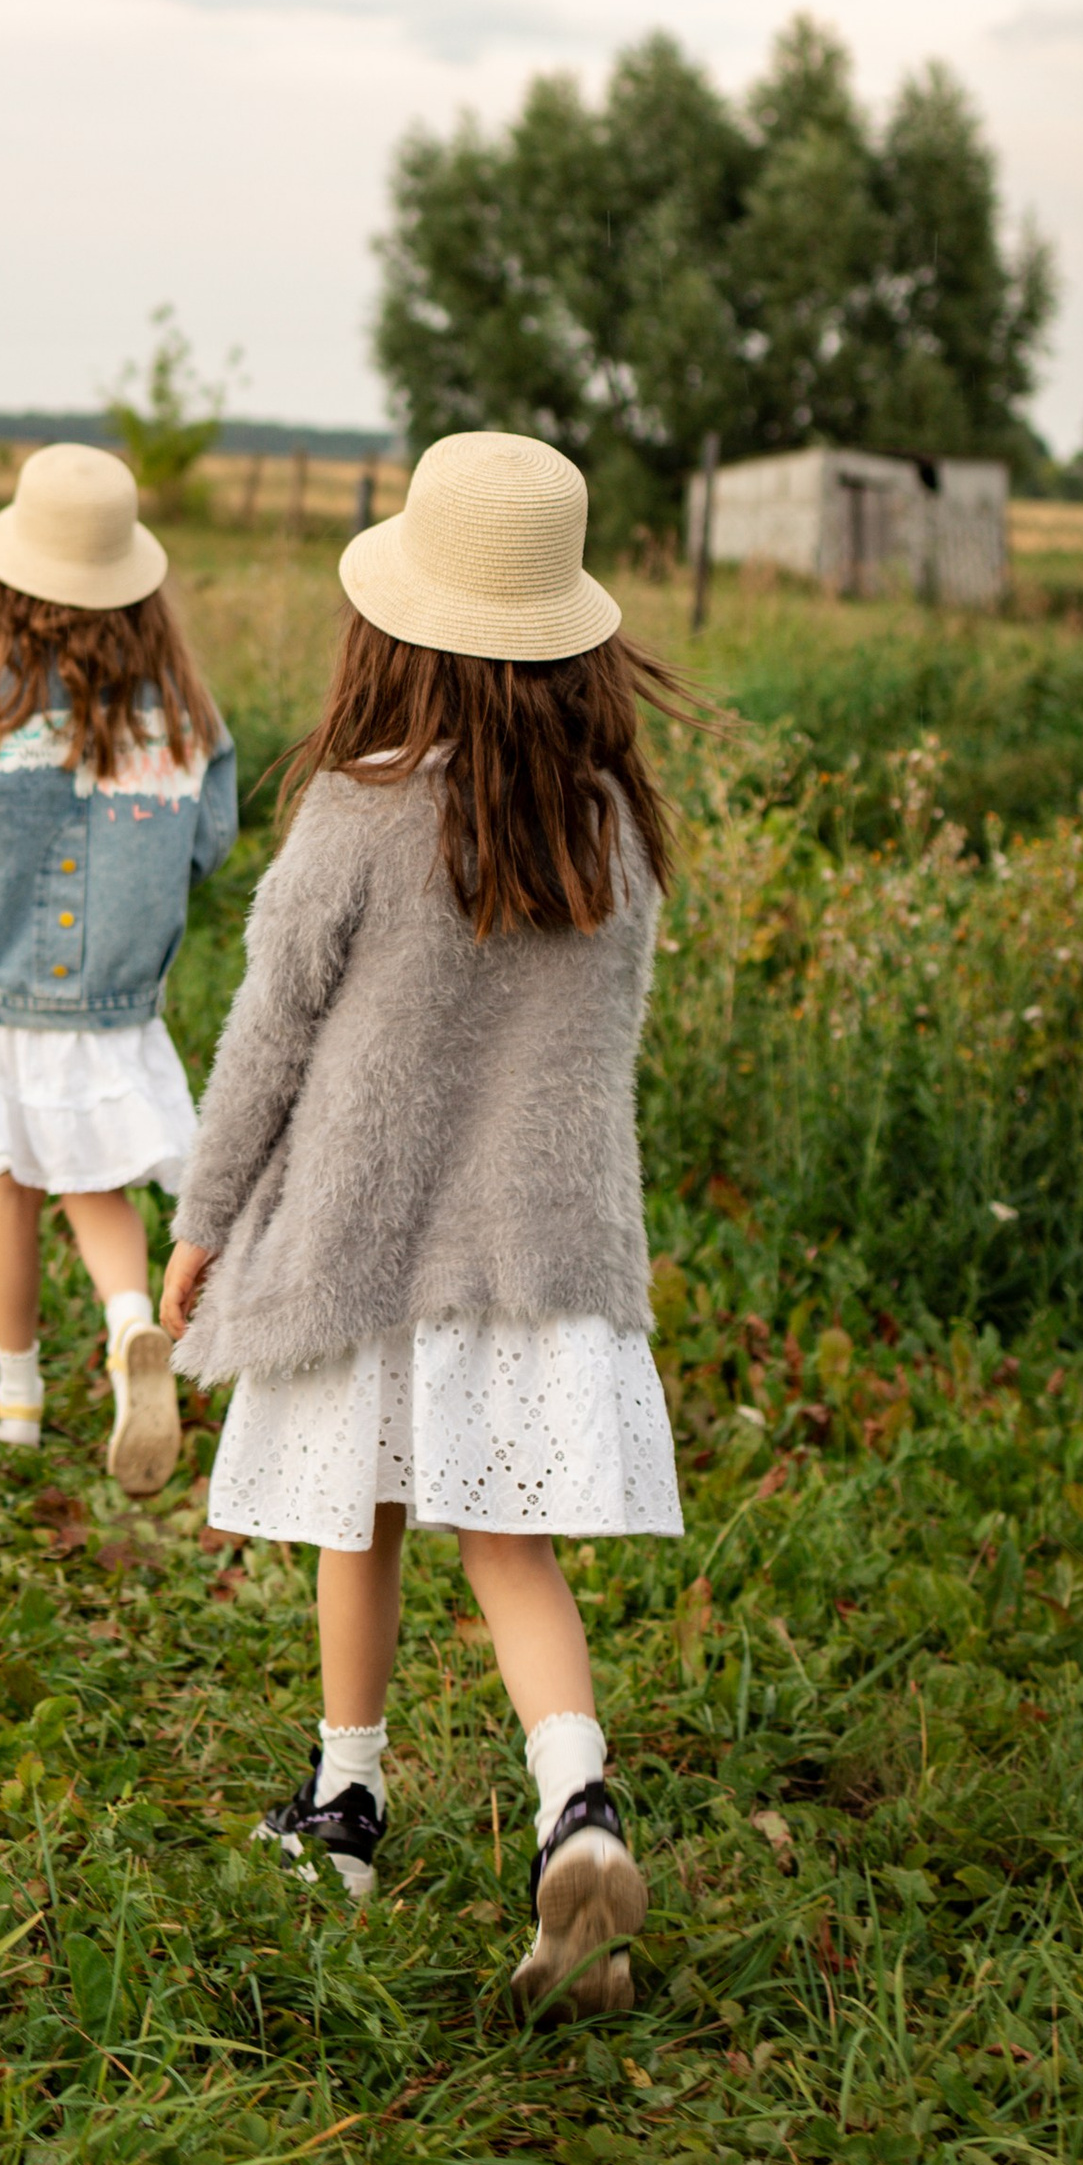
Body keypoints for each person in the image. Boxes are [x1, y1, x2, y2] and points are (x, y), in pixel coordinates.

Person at [161, 429, 685, 2019]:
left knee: (358, 1525)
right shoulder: (612, 831)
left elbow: (268, 1041)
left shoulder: (359, 814)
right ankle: (576, 1806)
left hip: (365, 1248)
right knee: (506, 1547)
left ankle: (346, 1807)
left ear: (395, 627)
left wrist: (201, 1222)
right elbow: (609, 1054)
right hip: (536, 1260)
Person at [0, 442, 238, 1500]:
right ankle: (130, 1323)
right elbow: (209, 845)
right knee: (95, 1183)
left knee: (8, 1183)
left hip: (5, 994)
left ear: (6, 587)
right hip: (116, 1005)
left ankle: (15, 1398)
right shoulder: (185, 715)